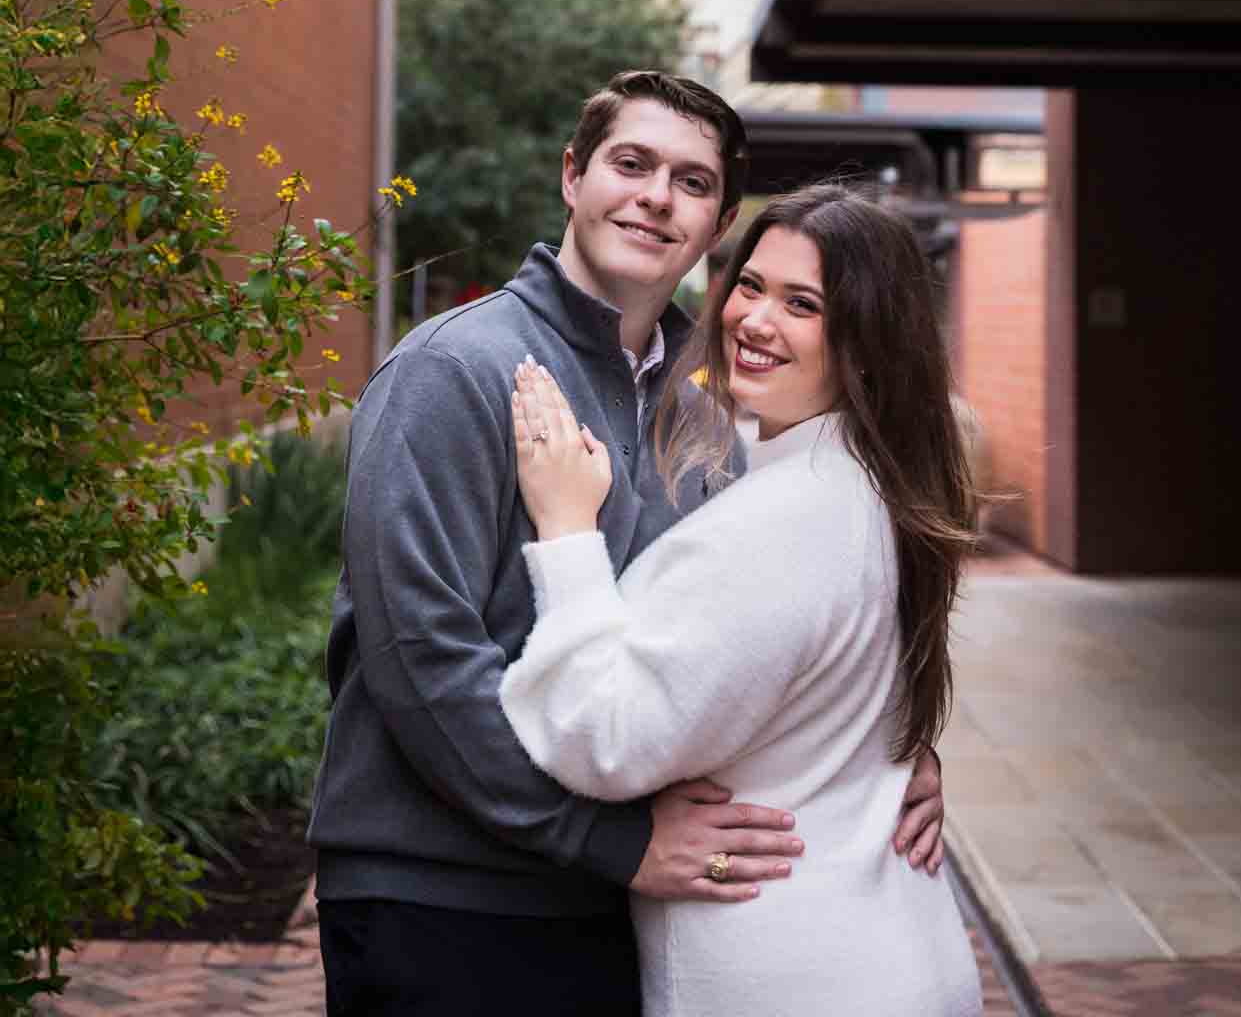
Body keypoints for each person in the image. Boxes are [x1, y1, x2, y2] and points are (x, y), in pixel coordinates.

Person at [308, 73, 948, 1017]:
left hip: (619, 903)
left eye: (690, 182)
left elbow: (774, 626)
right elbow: (416, 654)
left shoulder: (721, 403)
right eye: (631, 164)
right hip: (446, 897)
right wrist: (607, 840)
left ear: (719, 223)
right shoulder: (453, 370)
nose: (656, 196)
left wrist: (886, 749)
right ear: (573, 177)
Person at [501, 183, 983, 1017]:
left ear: (867, 343)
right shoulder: (874, 489)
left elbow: (605, 742)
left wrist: (567, 530)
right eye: (750, 285)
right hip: (878, 947)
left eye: (803, 304)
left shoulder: (780, 523)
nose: (754, 320)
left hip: (794, 974)